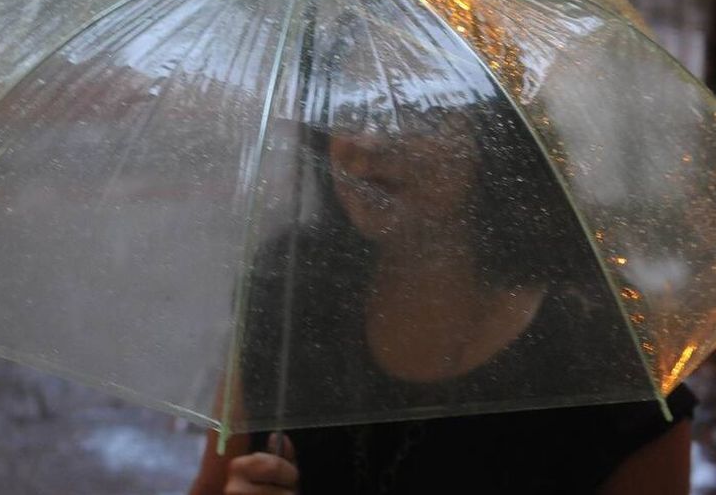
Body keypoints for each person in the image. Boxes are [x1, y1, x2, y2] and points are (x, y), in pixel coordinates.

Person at [190, 99, 696, 494]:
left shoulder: (605, 368)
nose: (367, 140)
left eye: (418, 113)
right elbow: (214, 484)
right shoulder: (291, 289)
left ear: (496, 137)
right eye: (349, 110)